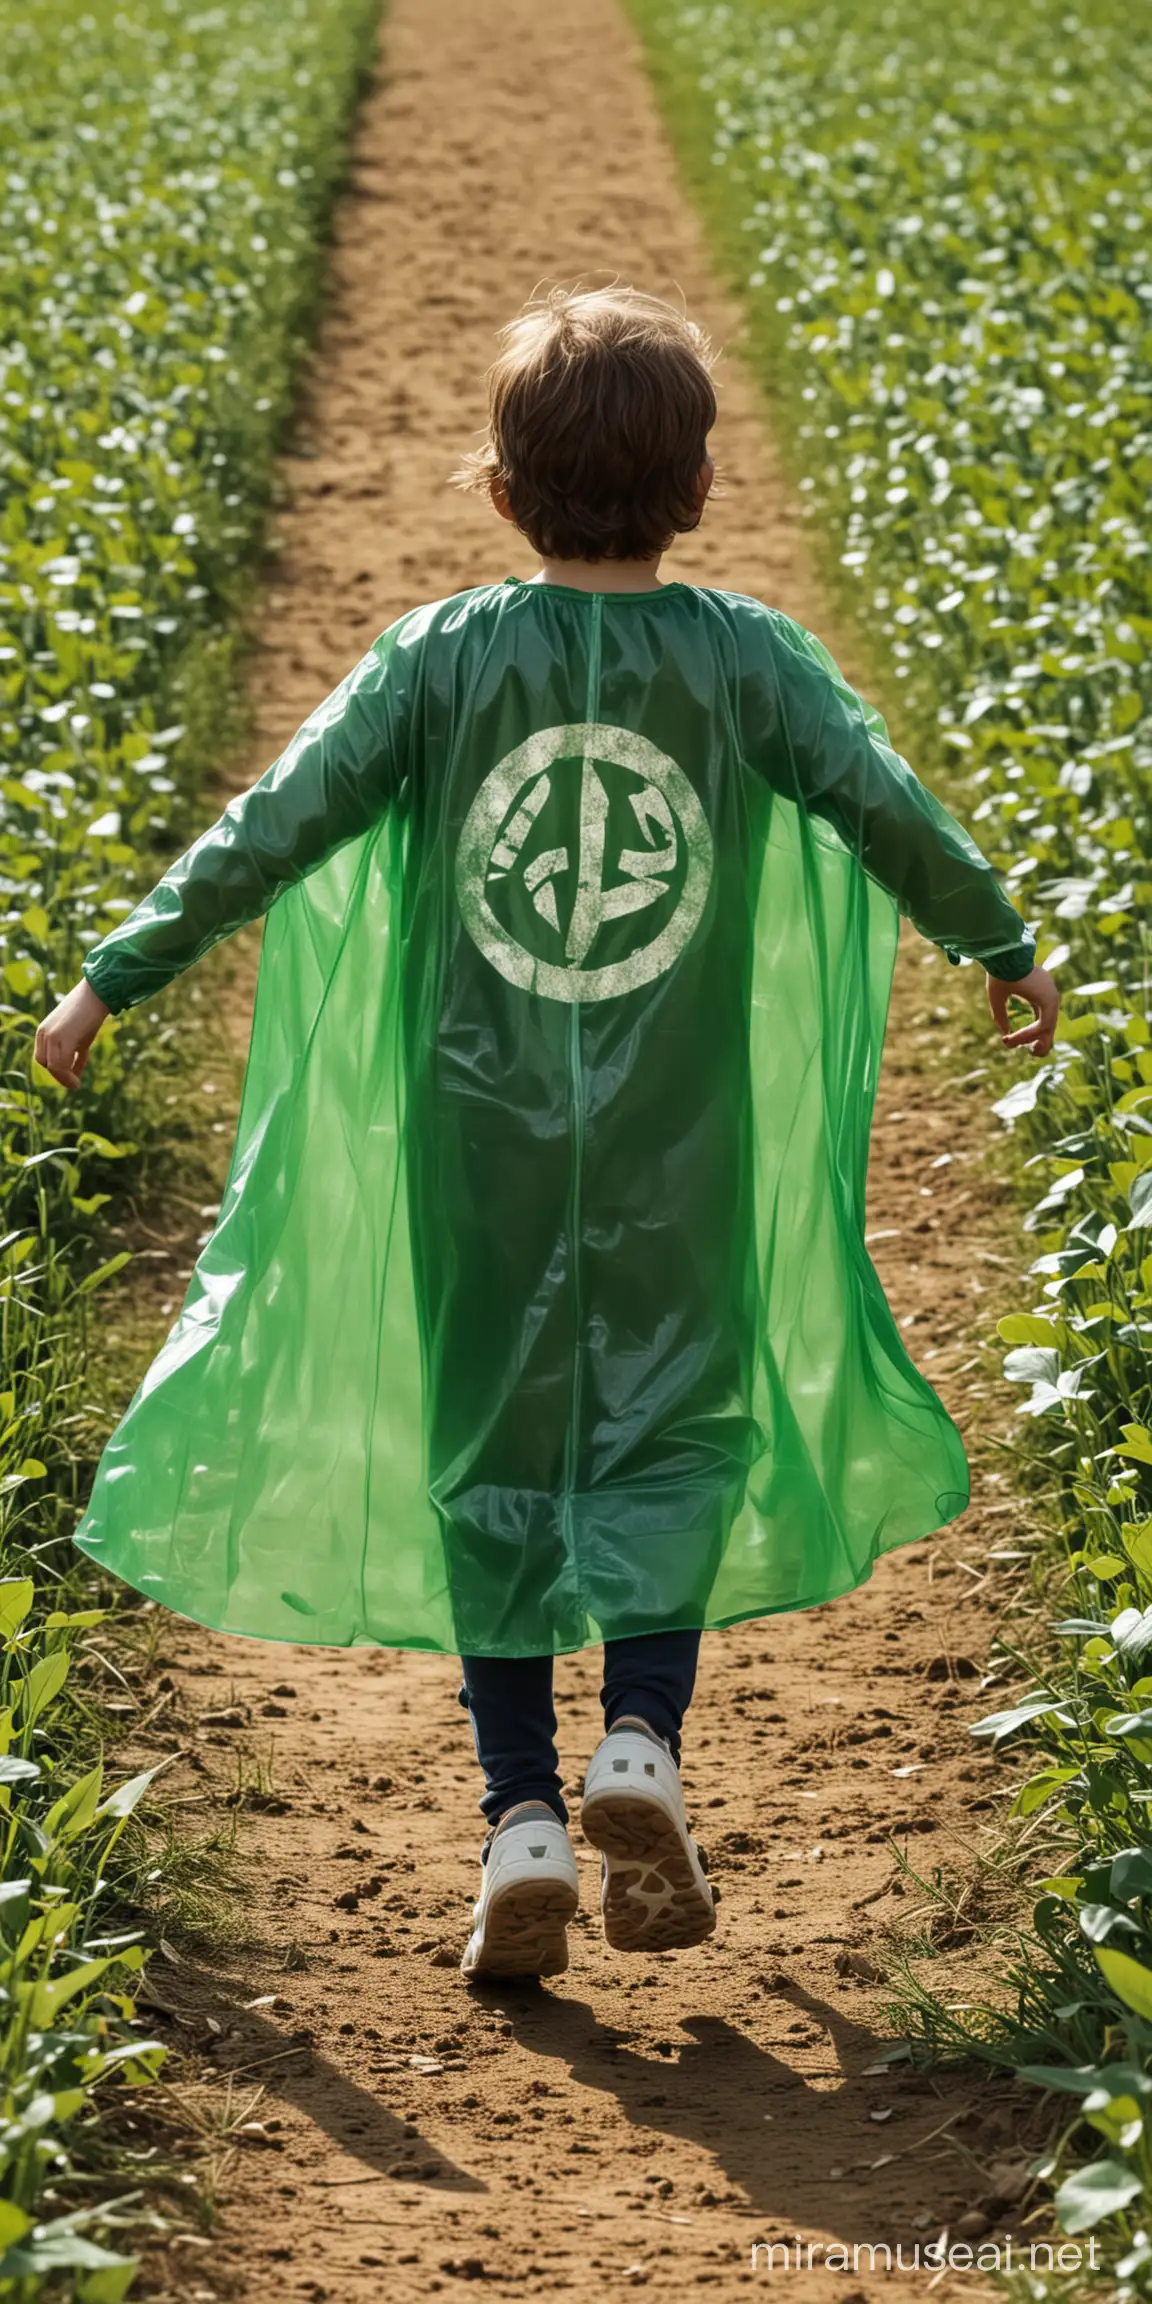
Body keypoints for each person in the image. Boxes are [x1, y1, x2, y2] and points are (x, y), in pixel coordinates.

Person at [36, 285, 1058, 1982]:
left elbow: (274, 827)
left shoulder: (435, 662)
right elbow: (886, 804)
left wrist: (113, 977)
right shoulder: (749, 662)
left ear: (501, 493)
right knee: (674, 1432)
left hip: (474, 1142)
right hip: (683, 1142)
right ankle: (640, 1746)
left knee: (487, 1456)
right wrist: (1002, 939)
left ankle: (518, 1819)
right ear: (700, 489)